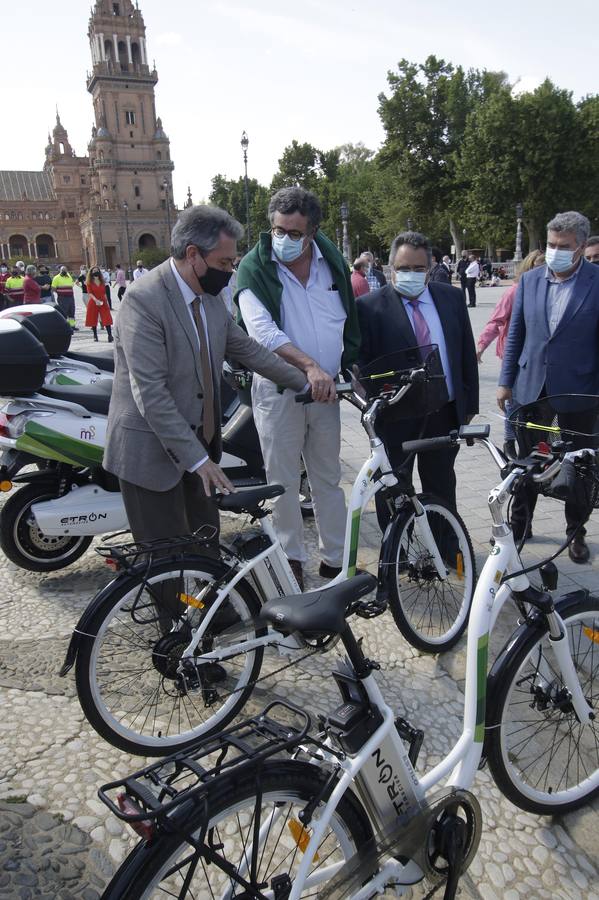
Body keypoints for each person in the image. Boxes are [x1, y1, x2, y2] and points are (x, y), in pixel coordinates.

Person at [104, 205, 309, 570]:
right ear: (193, 255)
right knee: (165, 562)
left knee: (205, 550)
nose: (231, 272)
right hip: (151, 453)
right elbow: (150, 392)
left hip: (199, 447)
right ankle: (176, 625)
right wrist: (198, 461)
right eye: (225, 263)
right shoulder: (143, 299)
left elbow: (247, 349)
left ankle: (210, 619)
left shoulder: (210, 298)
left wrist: (305, 381)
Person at [236, 186, 360, 589]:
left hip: (326, 393)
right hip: (279, 393)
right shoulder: (255, 268)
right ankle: (289, 557)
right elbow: (261, 332)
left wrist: (344, 368)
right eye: (278, 230)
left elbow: (347, 317)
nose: (284, 240)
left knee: (327, 478)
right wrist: (308, 365)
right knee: (282, 481)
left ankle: (336, 559)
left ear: (312, 233)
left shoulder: (331, 263)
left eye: (294, 233)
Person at [356, 230, 478, 526]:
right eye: (404, 268)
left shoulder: (449, 297)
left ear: (430, 267)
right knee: (393, 485)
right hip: (396, 415)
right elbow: (362, 364)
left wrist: (469, 404)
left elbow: (464, 351)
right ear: (391, 269)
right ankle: (396, 551)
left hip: (443, 411)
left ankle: (447, 544)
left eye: (419, 268)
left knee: (442, 483)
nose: (411, 274)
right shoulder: (370, 307)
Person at [498, 210, 599, 563]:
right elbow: (516, 335)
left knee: (579, 467)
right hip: (531, 387)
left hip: (580, 391)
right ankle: (520, 526)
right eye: (551, 244)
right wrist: (504, 382)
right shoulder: (531, 281)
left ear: (581, 246)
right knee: (527, 464)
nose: (555, 251)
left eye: (564, 246)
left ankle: (576, 532)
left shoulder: (596, 282)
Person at [477, 250, 545, 457]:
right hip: (515, 357)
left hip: (539, 358)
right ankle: (509, 441)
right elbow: (496, 321)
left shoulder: (550, 291)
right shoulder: (515, 292)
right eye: (538, 268)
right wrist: (481, 345)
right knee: (513, 402)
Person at [85, 266, 113, 341]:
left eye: (97, 270)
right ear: (91, 272)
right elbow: (90, 293)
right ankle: (95, 335)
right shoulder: (89, 282)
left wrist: (105, 300)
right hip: (93, 301)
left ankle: (110, 335)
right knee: (93, 318)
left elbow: (104, 292)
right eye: (94, 271)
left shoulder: (102, 281)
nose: (96, 272)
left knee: (107, 317)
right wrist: (96, 300)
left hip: (102, 301)